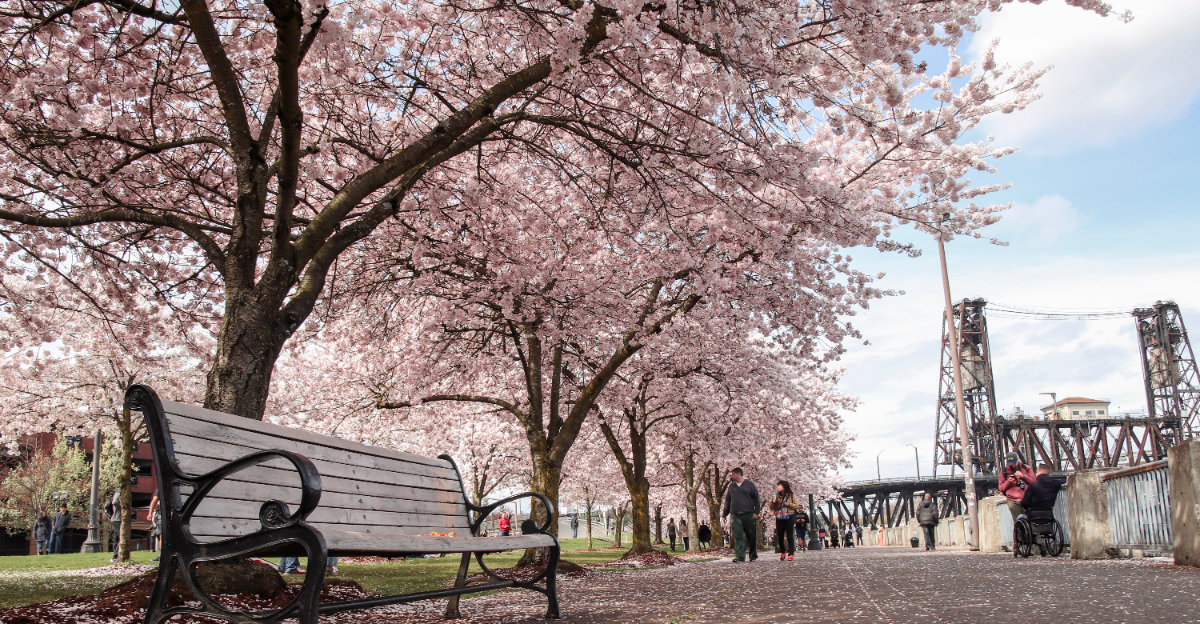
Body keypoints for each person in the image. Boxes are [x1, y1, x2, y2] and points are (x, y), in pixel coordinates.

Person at [721, 467, 760, 563]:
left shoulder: (750, 485)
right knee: (738, 536)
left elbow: (757, 499)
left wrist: (756, 512)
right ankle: (740, 557)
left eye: (733, 474)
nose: (731, 476)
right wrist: (724, 515)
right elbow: (727, 501)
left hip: (749, 514)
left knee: (751, 536)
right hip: (735, 514)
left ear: (739, 474)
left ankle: (753, 556)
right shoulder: (731, 487)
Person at [998, 452, 1036, 522]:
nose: (1013, 465)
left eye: (1014, 463)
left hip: (1027, 499)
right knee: (1019, 522)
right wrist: (1009, 482)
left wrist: (1023, 476)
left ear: (1017, 460)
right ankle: (1019, 532)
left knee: (1031, 520)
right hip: (1013, 501)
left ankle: (1031, 532)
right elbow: (1001, 488)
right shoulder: (1004, 471)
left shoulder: (1026, 468)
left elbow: (1034, 481)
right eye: (1011, 464)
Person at [770, 480, 800, 561]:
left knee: (790, 536)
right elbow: (772, 508)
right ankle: (783, 551)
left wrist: (789, 504)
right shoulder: (776, 496)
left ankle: (791, 553)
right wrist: (773, 502)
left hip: (788, 517)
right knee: (780, 537)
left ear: (784, 487)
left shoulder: (791, 495)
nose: (778, 487)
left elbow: (796, 506)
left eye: (780, 485)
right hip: (779, 517)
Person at [106, 489, 122, 561]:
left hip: (115, 519)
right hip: (117, 519)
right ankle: (116, 556)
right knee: (119, 537)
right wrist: (123, 507)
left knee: (116, 538)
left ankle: (115, 556)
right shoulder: (118, 492)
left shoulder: (117, 492)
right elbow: (115, 502)